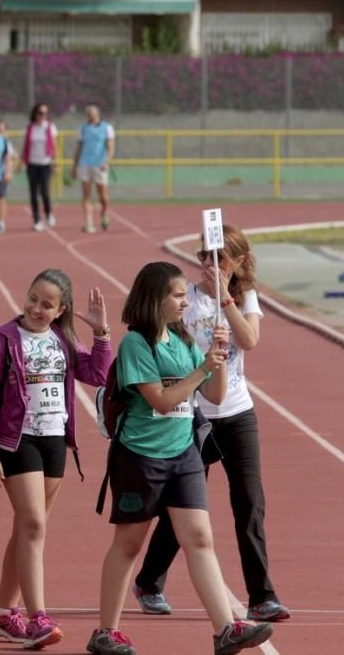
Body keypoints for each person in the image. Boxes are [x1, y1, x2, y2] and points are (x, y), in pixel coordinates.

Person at [88, 261, 272, 655]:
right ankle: (106, 631)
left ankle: (225, 628)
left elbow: (216, 396)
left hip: (184, 452)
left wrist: (218, 355)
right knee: (129, 544)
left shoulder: (184, 339)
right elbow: (161, 398)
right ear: (155, 298)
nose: (183, 302)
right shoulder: (137, 343)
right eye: (176, 295)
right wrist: (202, 368)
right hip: (141, 456)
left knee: (200, 538)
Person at [133, 227, 289, 622]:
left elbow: (250, 340)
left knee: (250, 501)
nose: (209, 265)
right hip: (195, 414)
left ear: (236, 262)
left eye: (219, 258)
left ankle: (262, 596)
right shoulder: (187, 297)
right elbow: (163, 332)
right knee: (183, 505)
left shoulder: (244, 296)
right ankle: (149, 582)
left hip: (237, 412)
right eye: (204, 256)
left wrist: (228, 303)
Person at [0, 270, 111, 649]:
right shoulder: (1, 340)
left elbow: (98, 373)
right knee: (34, 524)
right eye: (32, 298)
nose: (36, 308)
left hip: (55, 440)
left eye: (46, 304)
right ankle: (38, 616)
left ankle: (2, 612)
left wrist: (101, 334)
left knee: (26, 529)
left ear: (61, 309)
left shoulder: (64, 339)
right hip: (17, 440)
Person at [70, 104, 115, 234]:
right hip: (85, 163)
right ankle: (88, 222)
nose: (90, 116)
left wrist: (107, 161)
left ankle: (104, 213)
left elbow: (111, 146)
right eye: (88, 114)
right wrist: (74, 166)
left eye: (92, 113)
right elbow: (79, 148)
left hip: (100, 164)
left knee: (103, 195)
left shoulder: (107, 127)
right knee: (86, 195)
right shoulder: (83, 129)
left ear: (98, 114)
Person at [22, 103, 58, 232]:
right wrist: (22, 161)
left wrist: (56, 162)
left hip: (45, 163)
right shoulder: (29, 128)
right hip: (32, 163)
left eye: (45, 113)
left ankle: (49, 213)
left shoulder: (50, 127)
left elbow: (54, 146)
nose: (43, 116)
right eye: (41, 113)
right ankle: (36, 219)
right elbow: (25, 145)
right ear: (35, 114)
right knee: (33, 194)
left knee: (44, 192)